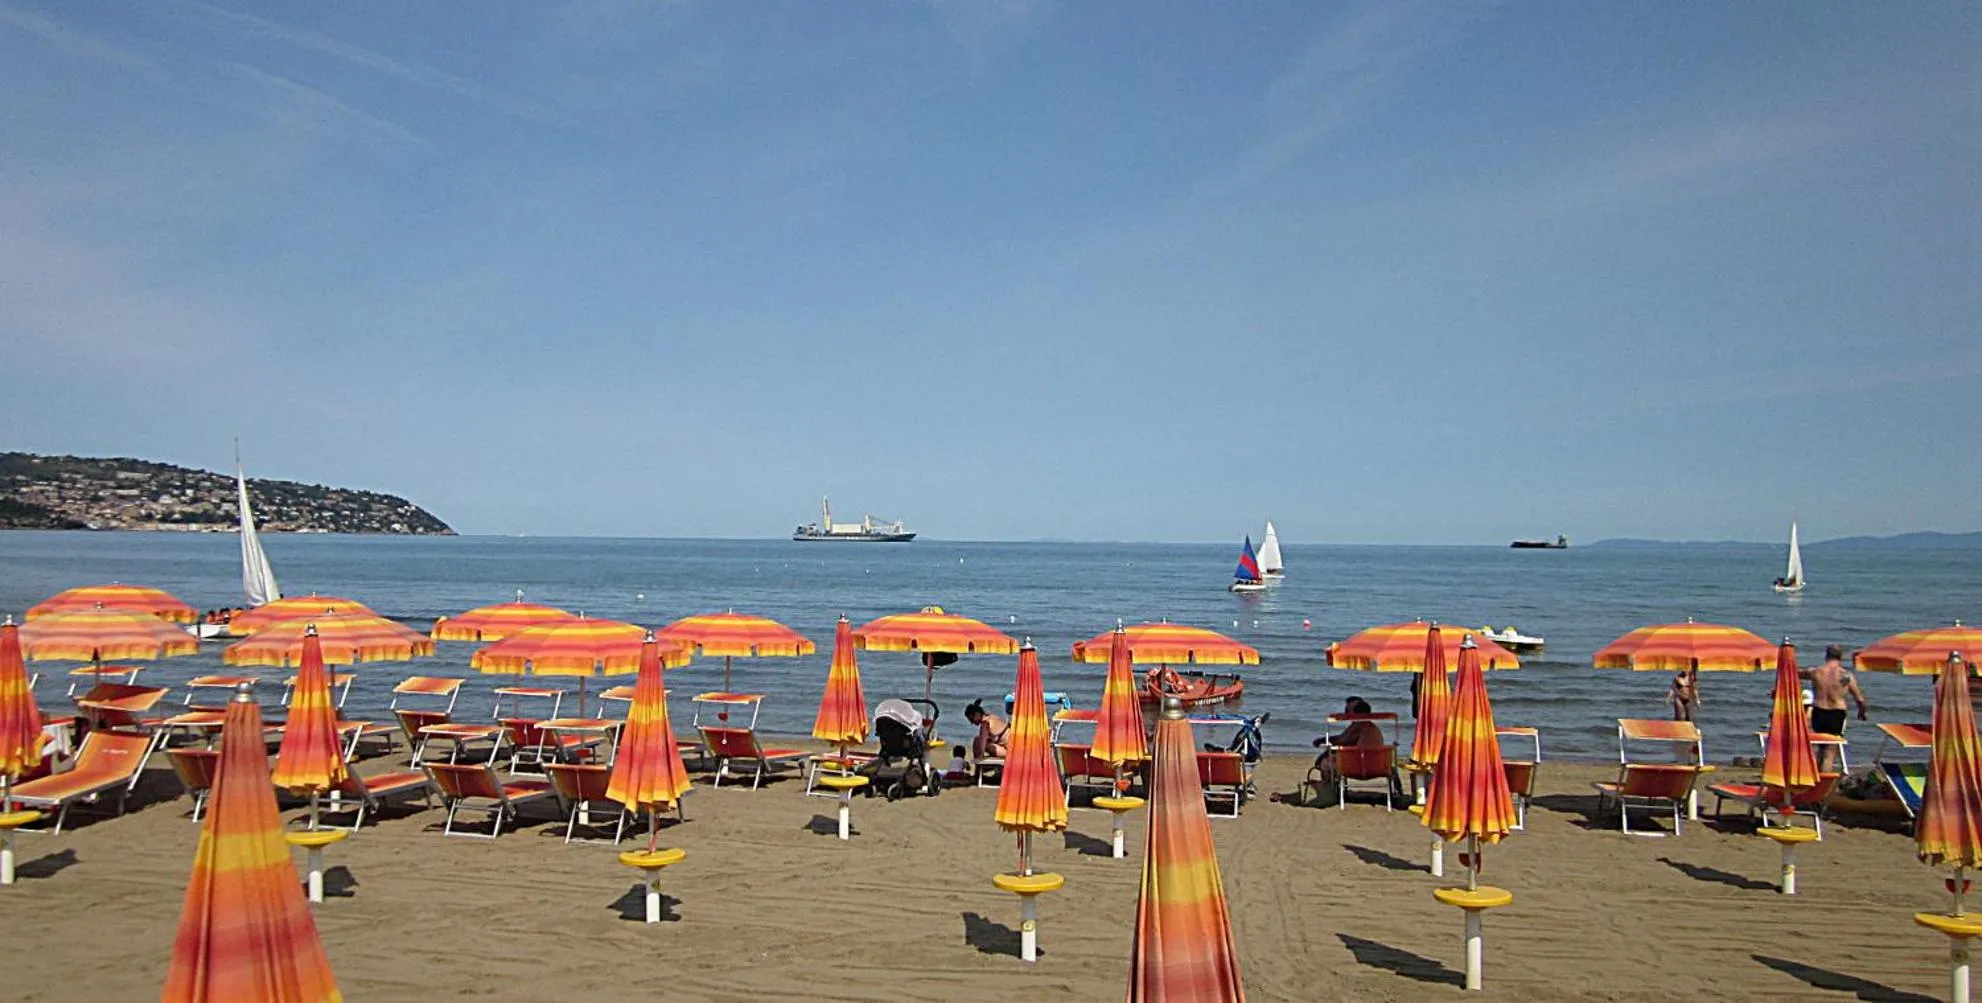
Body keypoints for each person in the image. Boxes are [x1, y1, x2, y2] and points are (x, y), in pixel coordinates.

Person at [1801, 644, 1868, 772]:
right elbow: (1860, 699)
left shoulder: (1815, 672)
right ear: (1841, 657)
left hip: (1818, 712)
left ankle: (1817, 778)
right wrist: (1862, 712)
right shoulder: (1845, 676)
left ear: (1826, 655)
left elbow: (1793, 674)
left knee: (1821, 747)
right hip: (1836, 714)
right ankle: (1823, 783)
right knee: (1830, 751)